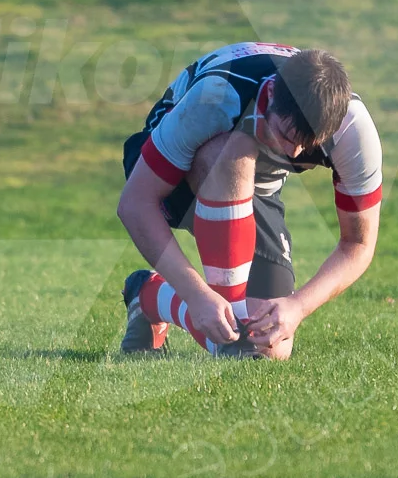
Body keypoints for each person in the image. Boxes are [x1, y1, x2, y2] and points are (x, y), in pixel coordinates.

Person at [116, 43, 382, 360]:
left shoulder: (354, 129)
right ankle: (229, 336)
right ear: (268, 99)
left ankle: (147, 295)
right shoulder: (216, 99)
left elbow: (358, 244)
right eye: (286, 136)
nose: (295, 153)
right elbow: (135, 203)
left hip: (255, 184)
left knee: (270, 346)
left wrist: (298, 306)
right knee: (228, 151)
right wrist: (197, 295)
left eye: (309, 144)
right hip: (168, 169)